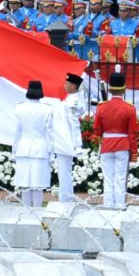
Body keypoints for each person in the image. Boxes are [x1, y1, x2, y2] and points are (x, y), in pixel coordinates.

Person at [93, 71, 139, 209]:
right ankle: (119, 205)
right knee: (120, 178)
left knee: (108, 179)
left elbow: (96, 130)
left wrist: (104, 135)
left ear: (110, 89)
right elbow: (132, 133)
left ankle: (108, 205)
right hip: (123, 146)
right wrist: (134, 155)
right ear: (124, 89)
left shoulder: (101, 107)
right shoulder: (130, 108)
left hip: (107, 145)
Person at [13, 81, 54, 207]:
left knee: (25, 183)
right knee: (38, 184)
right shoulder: (47, 108)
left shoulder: (19, 107)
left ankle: (26, 211)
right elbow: (49, 133)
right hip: (41, 149)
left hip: (23, 148)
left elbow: (17, 132)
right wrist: (51, 153)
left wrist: (14, 150)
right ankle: (38, 211)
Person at [54, 73, 86, 203]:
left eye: (66, 83)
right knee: (63, 172)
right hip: (63, 139)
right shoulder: (70, 98)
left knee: (64, 172)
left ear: (73, 86)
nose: (64, 85)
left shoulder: (74, 101)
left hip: (66, 140)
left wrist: (77, 145)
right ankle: (66, 198)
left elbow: (74, 124)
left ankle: (65, 200)